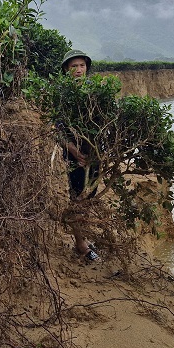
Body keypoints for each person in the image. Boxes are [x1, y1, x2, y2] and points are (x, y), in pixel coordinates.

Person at [59, 49, 101, 262]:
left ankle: (83, 238)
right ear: (66, 70)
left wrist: (95, 153)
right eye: (73, 66)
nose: (78, 70)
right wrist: (75, 152)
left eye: (82, 66)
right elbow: (58, 131)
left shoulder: (95, 93)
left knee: (89, 199)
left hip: (93, 157)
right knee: (77, 199)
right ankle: (81, 246)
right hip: (74, 159)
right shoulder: (63, 96)